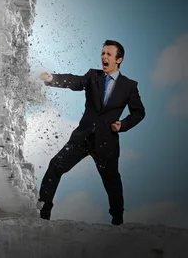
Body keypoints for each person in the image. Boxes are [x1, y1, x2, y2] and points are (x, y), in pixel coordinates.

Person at [37, 40, 145, 225]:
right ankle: (43, 211)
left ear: (119, 59)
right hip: (83, 137)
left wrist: (123, 124)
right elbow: (75, 81)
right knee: (56, 165)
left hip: (106, 141)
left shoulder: (129, 86)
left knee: (111, 181)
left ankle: (117, 220)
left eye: (109, 54)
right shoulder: (92, 76)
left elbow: (139, 112)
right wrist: (52, 78)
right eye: (103, 53)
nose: (104, 57)